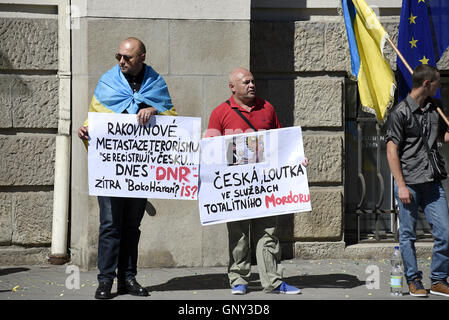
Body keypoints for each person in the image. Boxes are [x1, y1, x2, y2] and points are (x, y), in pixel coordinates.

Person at [78, 37, 177, 299]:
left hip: (139, 171)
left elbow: (173, 120)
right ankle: (105, 280)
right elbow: (95, 116)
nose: (121, 61)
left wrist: (154, 110)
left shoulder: (155, 82)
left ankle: (128, 279)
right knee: (110, 225)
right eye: (118, 56)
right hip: (111, 170)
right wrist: (86, 130)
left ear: (142, 57)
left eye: (127, 58)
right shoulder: (108, 82)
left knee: (132, 226)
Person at [205, 67, 308, 295]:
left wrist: (296, 159)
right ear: (232, 87)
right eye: (246, 82)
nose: (251, 85)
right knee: (239, 235)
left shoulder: (267, 108)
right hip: (236, 188)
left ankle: (273, 282)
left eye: (253, 81)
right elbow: (210, 146)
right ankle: (238, 280)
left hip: (264, 185)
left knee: (268, 234)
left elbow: (281, 142)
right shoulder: (220, 112)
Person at [386, 64, 449, 297]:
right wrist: (401, 185)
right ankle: (413, 280)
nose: (439, 86)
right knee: (408, 235)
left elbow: (441, 135)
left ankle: (439, 280)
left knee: (446, 232)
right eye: (437, 82)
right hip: (409, 181)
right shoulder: (400, 112)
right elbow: (391, 151)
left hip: (432, 181)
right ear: (426, 84)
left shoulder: (436, 108)